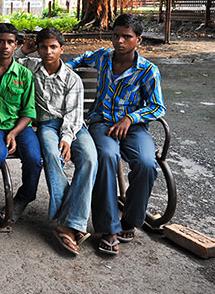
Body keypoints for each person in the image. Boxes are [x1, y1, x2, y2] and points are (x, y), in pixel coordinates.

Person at [67, 14, 166, 255]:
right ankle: (108, 228)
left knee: (146, 163)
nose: (119, 41)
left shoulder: (148, 71)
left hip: (133, 127)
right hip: (102, 123)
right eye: (116, 35)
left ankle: (131, 219)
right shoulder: (102, 57)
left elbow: (157, 106)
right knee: (107, 157)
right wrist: (63, 71)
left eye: (126, 37)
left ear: (138, 40)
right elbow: (76, 60)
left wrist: (130, 118)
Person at [16, 27, 97, 255]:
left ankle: (68, 221)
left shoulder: (72, 78)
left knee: (90, 158)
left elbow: (73, 114)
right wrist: (24, 49)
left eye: (53, 47)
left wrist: (68, 139)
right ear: (39, 48)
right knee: (52, 154)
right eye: (44, 47)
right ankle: (70, 223)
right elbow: (7, 61)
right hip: (46, 124)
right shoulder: (31, 67)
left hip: (73, 127)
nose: (48, 52)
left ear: (62, 49)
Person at [0, 23, 40, 221]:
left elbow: (29, 111)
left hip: (20, 127)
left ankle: (22, 199)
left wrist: (13, 133)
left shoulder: (24, 74)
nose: (5, 46)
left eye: (10, 42)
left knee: (34, 159)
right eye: (0, 41)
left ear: (16, 45)